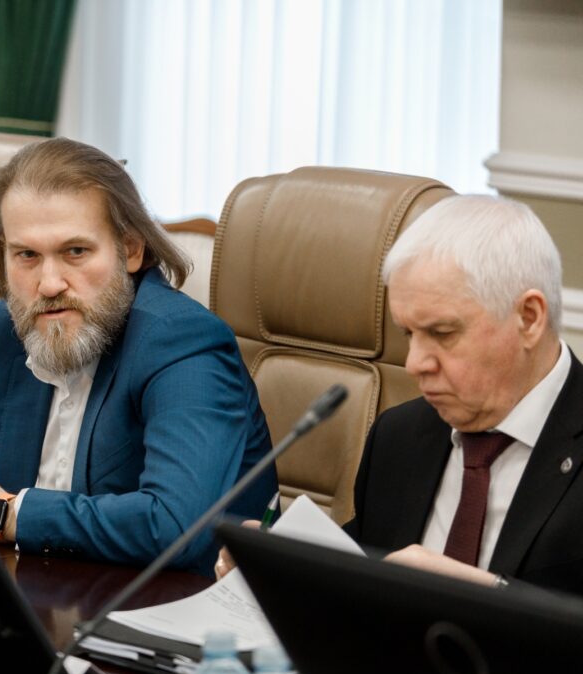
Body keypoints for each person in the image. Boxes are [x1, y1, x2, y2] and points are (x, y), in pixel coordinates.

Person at [0, 137, 277, 573]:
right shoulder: (2, 335)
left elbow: (173, 526)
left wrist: (5, 512)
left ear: (131, 248)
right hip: (35, 594)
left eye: (75, 252)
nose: (49, 284)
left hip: (166, 605)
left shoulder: (182, 342)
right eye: (27, 255)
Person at [217, 195, 582, 596]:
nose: (414, 363)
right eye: (409, 334)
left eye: (442, 333)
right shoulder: (399, 436)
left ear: (529, 318)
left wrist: (491, 593)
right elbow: (360, 576)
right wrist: (281, 570)